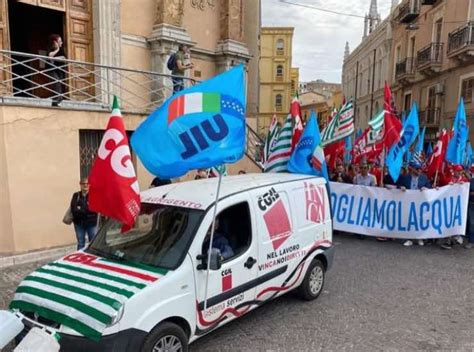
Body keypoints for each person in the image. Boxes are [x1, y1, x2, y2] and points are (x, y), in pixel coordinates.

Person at [397, 162, 431, 247]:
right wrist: (401, 187)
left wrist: (425, 188)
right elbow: (398, 185)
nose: (419, 171)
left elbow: (430, 188)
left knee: (419, 220)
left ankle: (419, 238)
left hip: (420, 203)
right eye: (417, 169)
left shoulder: (424, 178)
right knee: (409, 220)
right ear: (412, 169)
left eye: (420, 169)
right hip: (408, 202)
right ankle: (409, 238)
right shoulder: (405, 177)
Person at [70, 178, 98, 250]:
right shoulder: (76, 195)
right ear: (80, 185)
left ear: (89, 185)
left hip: (91, 224)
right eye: (83, 184)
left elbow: (95, 209)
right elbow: (73, 209)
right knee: (80, 243)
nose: (85, 185)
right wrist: (87, 209)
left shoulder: (94, 195)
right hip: (79, 224)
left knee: (93, 243)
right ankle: (80, 259)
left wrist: (80, 208)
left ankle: (91, 258)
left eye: (87, 183)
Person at [47, 34, 66, 107]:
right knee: (56, 83)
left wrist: (61, 57)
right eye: (60, 41)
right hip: (51, 70)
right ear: (55, 42)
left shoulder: (62, 50)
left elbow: (64, 57)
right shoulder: (50, 48)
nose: (61, 43)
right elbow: (49, 56)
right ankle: (55, 101)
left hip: (58, 70)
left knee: (59, 84)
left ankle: (58, 101)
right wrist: (57, 49)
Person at [465, 167, 474, 249]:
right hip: (472, 204)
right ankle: (471, 241)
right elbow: (468, 191)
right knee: (471, 223)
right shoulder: (472, 181)